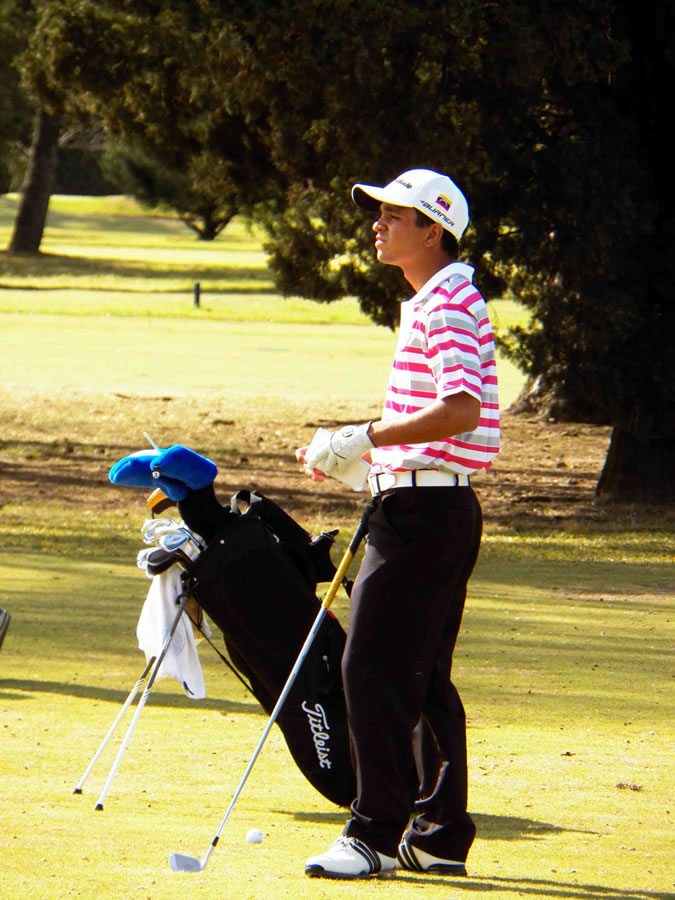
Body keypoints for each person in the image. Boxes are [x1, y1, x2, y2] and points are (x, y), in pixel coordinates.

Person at [296, 168, 500, 880]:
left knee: (371, 668)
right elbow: (442, 422)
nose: (377, 225)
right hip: (429, 507)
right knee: (420, 675)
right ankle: (439, 834)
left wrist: (366, 436)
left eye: (394, 215)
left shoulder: (444, 304)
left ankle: (375, 834)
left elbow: (460, 410)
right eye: (378, 213)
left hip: (424, 515)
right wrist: (362, 458)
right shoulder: (440, 298)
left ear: (433, 231)